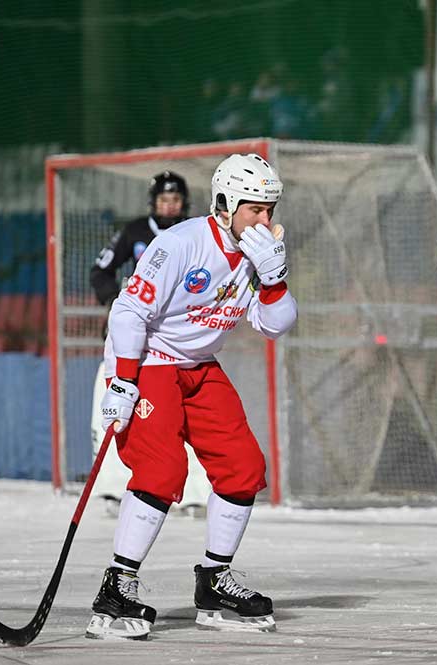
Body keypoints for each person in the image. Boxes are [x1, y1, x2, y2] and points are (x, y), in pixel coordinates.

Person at [86, 153, 297, 639]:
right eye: (254, 209)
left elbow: (275, 325)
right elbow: (127, 313)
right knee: (162, 472)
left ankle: (215, 581)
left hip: (199, 366)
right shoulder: (182, 242)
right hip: (152, 361)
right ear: (225, 205)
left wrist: (274, 278)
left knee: (244, 467)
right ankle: (117, 584)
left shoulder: (259, 253)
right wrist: (122, 381)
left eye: (270, 209)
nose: (265, 220)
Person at [89, 171, 212, 515]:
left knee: (185, 419)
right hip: (128, 344)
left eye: (175, 200)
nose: (169, 206)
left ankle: (193, 495)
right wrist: (119, 303)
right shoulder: (135, 232)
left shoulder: (197, 234)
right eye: (163, 200)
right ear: (153, 203)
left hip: (173, 344)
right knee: (116, 412)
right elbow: (100, 271)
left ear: (183, 203)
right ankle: (114, 490)